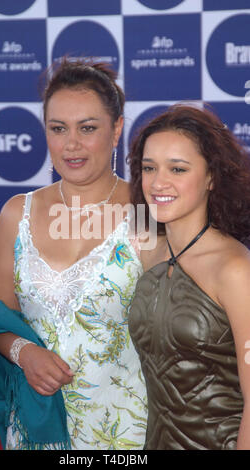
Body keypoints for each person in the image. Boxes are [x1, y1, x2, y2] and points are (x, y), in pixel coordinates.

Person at [0, 58, 147, 450]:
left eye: (88, 128)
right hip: (36, 430)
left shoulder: (147, 214)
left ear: (116, 129)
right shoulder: (18, 214)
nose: (72, 144)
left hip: (127, 432)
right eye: (58, 128)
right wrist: (24, 351)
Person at [127, 103, 250, 450]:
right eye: (149, 168)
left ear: (212, 176)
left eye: (177, 169)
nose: (158, 182)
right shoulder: (148, 254)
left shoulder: (235, 269)